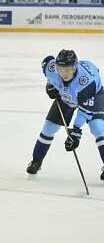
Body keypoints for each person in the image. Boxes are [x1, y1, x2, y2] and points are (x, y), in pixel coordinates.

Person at [27, 50, 104, 180]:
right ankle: (36, 161)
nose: (64, 73)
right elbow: (47, 60)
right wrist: (51, 84)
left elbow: (84, 110)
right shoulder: (52, 70)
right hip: (67, 96)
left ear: (75, 67)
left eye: (68, 69)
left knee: (97, 127)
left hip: (94, 96)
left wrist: (76, 132)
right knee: (49, 127)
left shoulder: (87, 83)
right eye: (61, 69)